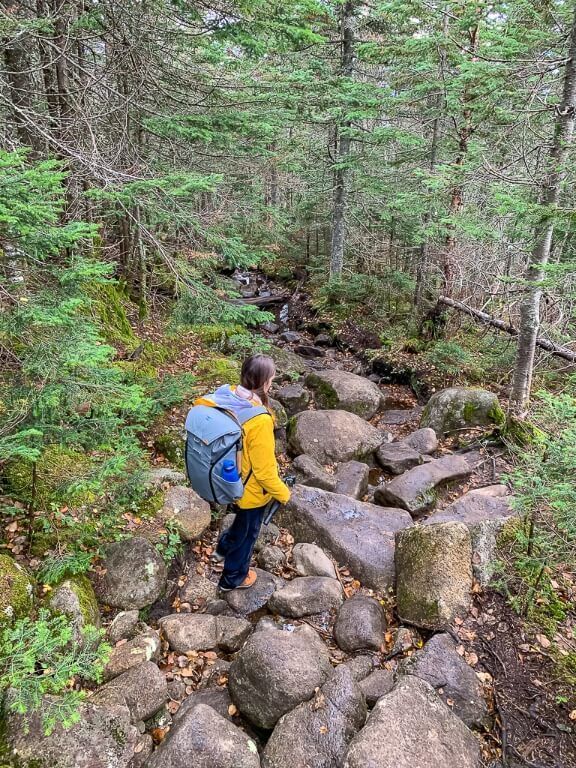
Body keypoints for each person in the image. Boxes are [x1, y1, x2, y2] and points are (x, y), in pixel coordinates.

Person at [193, 354, 291, 592]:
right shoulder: (260, 420)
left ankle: (222, 549)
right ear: (265, 382)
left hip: (228, 478)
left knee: (241, 523)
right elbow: (265, 471)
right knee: (249, 533)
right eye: (272, 379)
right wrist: (283, 493)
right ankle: (233, 578)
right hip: (251, 489)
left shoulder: (227, 394)